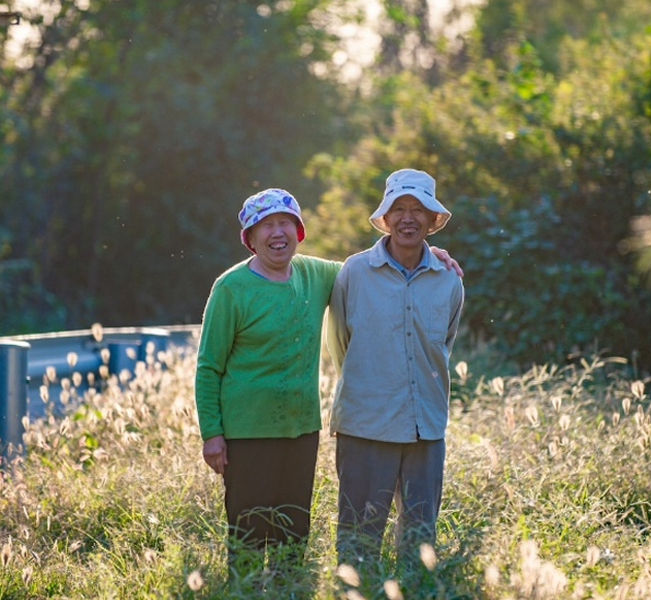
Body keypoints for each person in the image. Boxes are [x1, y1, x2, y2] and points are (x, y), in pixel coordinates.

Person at [194, 187, 462, 588]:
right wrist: (212, 433)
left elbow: (379, 266)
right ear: (250, 237)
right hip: (245, 431)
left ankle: (287, 590)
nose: (277, 233)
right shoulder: (231, 287)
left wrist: (428, 251)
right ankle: (245, 591)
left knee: (293, 528)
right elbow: (208, 366)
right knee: (249, 527)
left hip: (302, 430)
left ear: (299, 232)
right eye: (266, 225)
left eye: (286, 223)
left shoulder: (315, 274)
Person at [326, 168, 465, 570]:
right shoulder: (353, 272)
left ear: (432, 219)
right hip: (366, 424)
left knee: (420, 542)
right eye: (399, 208)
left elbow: (442, 345)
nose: (408, 218)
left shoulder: (449, 280)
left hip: (426, 426)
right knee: (358, 542)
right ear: (385, 217)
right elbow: (340, 344)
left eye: (418, 209)